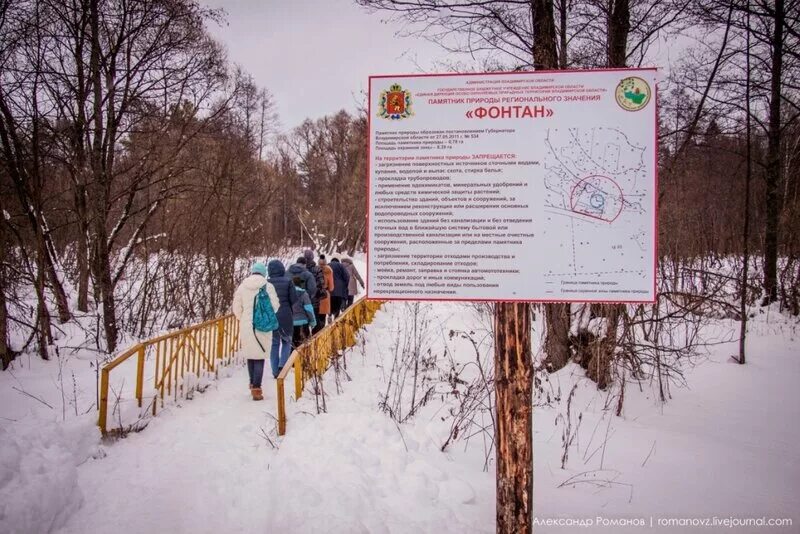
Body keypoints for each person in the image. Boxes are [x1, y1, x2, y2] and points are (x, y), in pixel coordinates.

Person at [231, 262, 279, 401]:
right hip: (262, 324)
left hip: (247, 324)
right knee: (260, 355)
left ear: (252, 272)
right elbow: (274, 306)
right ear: (264, 273)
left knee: (250, 354)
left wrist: (244, 318)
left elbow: (236, 307)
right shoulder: (268, 286)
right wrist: (265, 316)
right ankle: (257, 388)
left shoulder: (242, 286)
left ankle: (253, 384)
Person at [267, 259, 298, 378]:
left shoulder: (266, 283)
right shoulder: (288, 282)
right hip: (286, 315)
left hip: (272, 316)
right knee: (286, 341)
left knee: (274, 344)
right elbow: (294, 299)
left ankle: (275, 371)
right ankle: (282, 366)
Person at [303, 249, 327, 332]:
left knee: (304, 321)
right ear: (312, 257)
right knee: (316, 320)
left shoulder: (301, 270)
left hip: (303, 299)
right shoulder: (317, 269)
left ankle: (305, 339)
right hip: (315, 299)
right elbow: (322, 283)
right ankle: (316, 340)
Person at [291, 276, 317, 348]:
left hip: (291, 324)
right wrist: (312, 321)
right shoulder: (304, 294)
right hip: (303, 323)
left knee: (293, 347)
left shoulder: (288, 294)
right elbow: (309, 309)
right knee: (304, 346)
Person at [315, 255, 334, 332]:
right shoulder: (329, 270)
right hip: (325, 295)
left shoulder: (315, 269)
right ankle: (321, 333)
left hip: (316, 295)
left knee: (316, 316)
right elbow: (331, 287)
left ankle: (315, 334)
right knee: (323, 317)